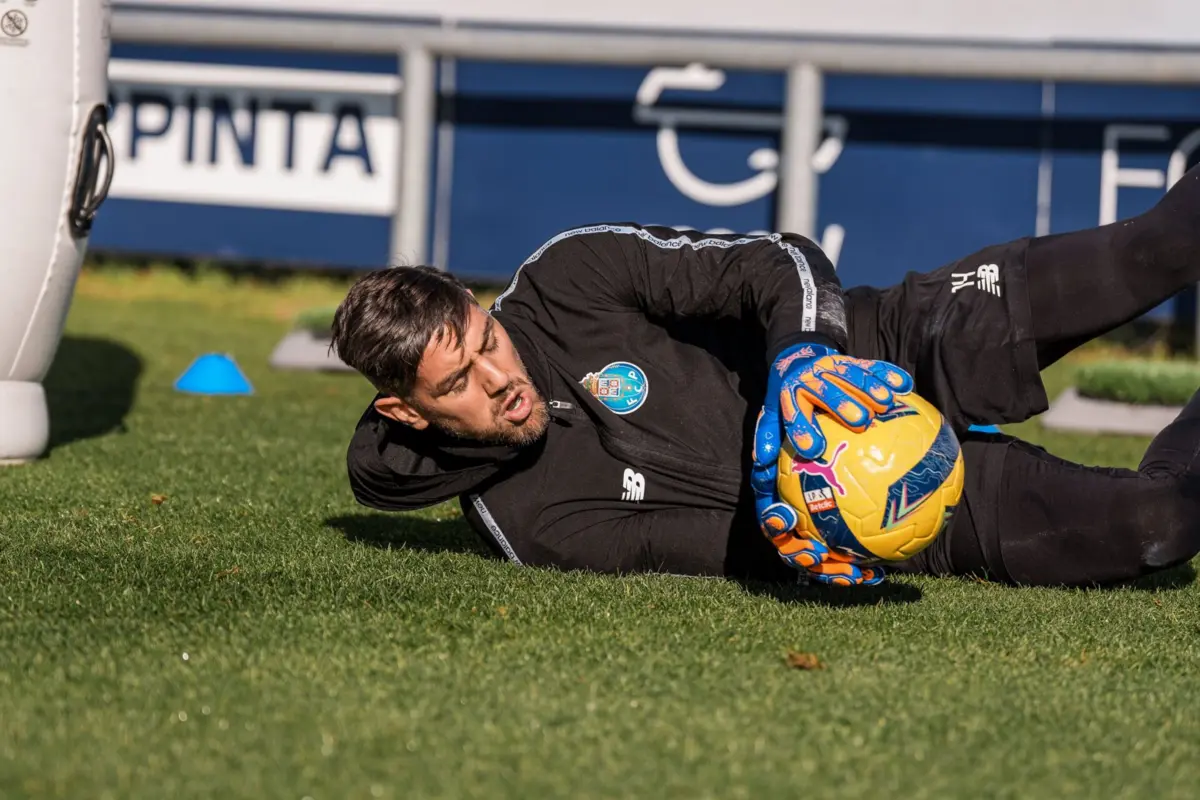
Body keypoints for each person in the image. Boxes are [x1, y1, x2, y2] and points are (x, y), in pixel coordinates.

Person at [330, 164, 1200, 589]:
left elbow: (773, 260)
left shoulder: (569, 276)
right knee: (1160, 524)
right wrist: (810, 536)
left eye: (487, 338)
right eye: (460, 385)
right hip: (877, 504)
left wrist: (801, 363)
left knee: (1160, 247)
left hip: (885, 340)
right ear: (406, 413)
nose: (499, 377)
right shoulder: (524, 525)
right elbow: (712, 551)